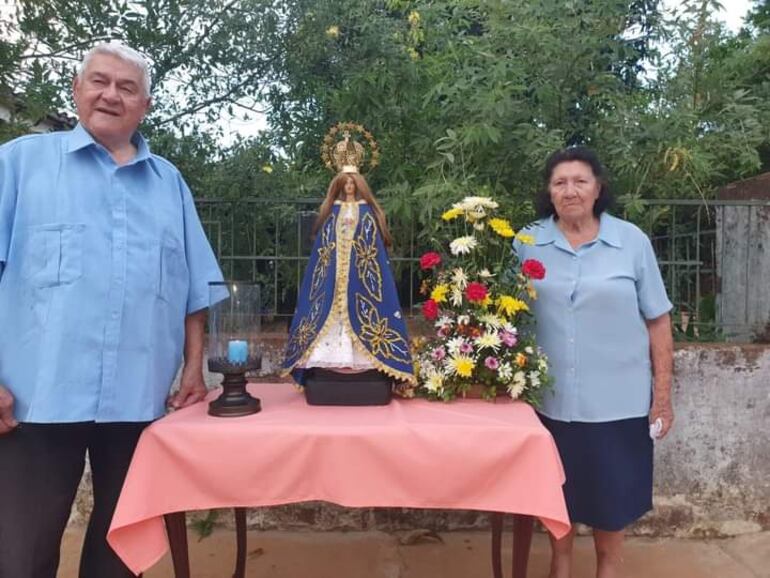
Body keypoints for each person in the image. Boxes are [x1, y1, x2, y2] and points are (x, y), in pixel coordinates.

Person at [0, 42, 223, 578]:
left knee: (123, 551)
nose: (111, 95)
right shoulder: (19, 163)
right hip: (35, 398)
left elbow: (193, 286)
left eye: (127, 87)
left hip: (140, 398)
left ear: (144, 105)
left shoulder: (169, 183)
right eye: (99, 81)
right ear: (77, 90)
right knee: (20, 553)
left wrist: (194, 368)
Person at [514, 146, 674, 578]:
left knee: (611, 501)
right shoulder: (527, 242)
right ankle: (560, 565)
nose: (570, 191)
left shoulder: (631, 241)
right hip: (550, 401)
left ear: (597, 188)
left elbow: (658, 320)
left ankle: (609, 567)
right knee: (556, 494)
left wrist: (663, 396)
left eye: (580, 181)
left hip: (618, 402)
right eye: (560, 182)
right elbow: (511, 317)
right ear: (549, 193)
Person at [282, 134, 414, 389]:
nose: (350, 187)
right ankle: (327, 368)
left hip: (361, 278)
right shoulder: (330, 213)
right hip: (333, 281)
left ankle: (366, 368)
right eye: (346, 184)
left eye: (353, 183)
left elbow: (372, 248)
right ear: (340, 185)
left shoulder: (367, 212)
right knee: (331, 320)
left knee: (364, 316)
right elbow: (324, 250)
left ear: (359, 184)